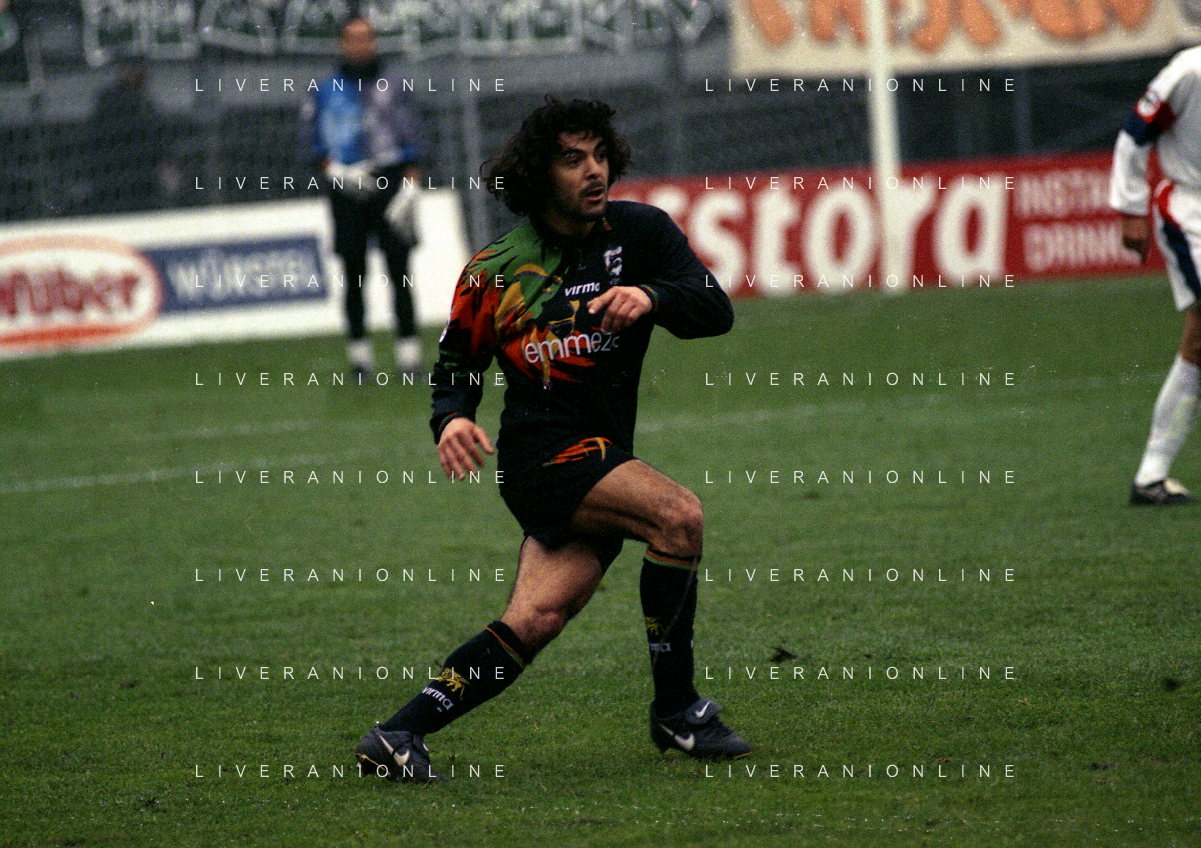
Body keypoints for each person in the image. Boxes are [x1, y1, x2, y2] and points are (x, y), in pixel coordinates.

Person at [353, 96, 748, 782]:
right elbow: (455, 367)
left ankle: (396, 734)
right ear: (540, 175)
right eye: (572, 160)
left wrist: (652, 297)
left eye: (599, 155)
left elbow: (715, 310)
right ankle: (677, 709)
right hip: (542, 458)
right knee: (677, 517)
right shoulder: (497, 270)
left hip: (602, 454)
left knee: (535, 618)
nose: (594, 171)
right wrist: (452, 419)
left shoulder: (640, 234)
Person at [301, 16, 425, 379]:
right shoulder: (325, 90)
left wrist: (411, 186)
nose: (360, 45)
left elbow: (414, 137)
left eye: (366, 38)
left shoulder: (395, 86)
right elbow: (310, 141)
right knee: (354, 271)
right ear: (342, 44)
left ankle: (409, 355)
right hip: (346, 185)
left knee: (400, 269)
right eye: (352, 39)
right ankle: (359, 357)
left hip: (390, 180)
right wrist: (335, 171)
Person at [1110, 45, 1201, 506]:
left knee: (1198, 342)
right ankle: (1150, 475)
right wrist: (1131, 208)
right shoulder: (1189, 71)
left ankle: (1151, 477)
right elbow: (1134, 134)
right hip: (1191, 210)